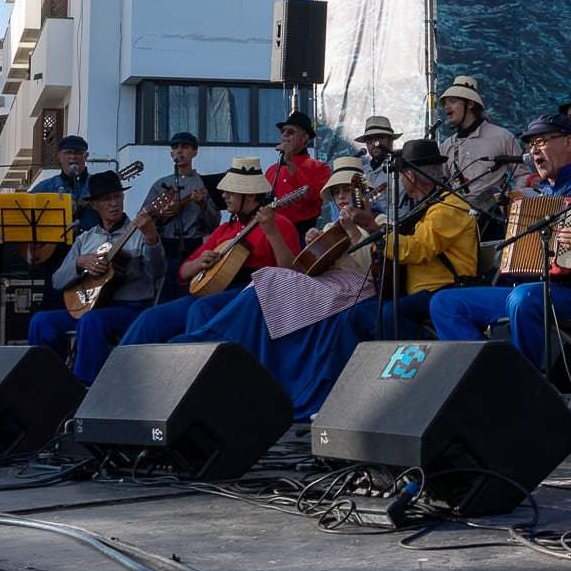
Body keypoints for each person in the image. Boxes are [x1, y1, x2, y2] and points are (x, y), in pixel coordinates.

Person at [167, 163, 384, 417]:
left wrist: (352, 231)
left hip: (355, 286)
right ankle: (205, 354)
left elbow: (376, 266)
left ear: (363, 193)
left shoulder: (378, 222)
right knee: (259, 283)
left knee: (271, 277)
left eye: (347, 190)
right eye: (336, 192)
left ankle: (208, 346)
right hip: (325, 282)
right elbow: (311, 266)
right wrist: (314, 243)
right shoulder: (329, 227)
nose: (341, 197)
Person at [430, 114, 571, 368]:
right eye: (530, 145)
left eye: (541, 141)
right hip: (530, 290)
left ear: (568, 142)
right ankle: (487, 373)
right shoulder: (538, 194)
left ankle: (526, 386)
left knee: (524, 298)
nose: (533, 151)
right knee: (445, 303)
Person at [119, 158, 304, 344]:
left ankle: (190, 368)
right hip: (214, 293)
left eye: (230, 191)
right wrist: (198, 264)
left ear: (249, 195)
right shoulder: (225, 229)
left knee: (201, 309)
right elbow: (183, 272)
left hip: (252, 297)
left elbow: (292, 273)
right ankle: (118, 369)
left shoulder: (279, 224)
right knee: (150, 318)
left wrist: (271, 232)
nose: (223, 195)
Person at [26, 171, 165, 383]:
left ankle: (84, 388)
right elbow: (57, 281)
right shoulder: (85, 239)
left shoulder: (139, 234)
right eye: (106, 199)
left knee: (91, 321)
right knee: (41, 321)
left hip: (130, 308)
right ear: (94, 205)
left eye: (117, 197)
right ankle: (45, 381)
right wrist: (79, 262)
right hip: (89, 306)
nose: (114, 204)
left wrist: (152, 238)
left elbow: (158, 271)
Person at [360, 138, 480, 335]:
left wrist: (373, 228)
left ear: (410, 176)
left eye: (401, 176)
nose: (400, 181)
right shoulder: (426, 205)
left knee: (390, 313)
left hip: (447, 290)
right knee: (365, 313)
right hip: (425, 293)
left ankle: (428, 354)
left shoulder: (449, 206)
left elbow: (418, 249)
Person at [437, 75, 520, 214]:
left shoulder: (502, 137)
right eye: (445, 103)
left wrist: (512, 206)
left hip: (492, 218)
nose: (446, 107)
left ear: (470, 104)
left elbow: (522, 175)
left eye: (452, 101)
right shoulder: (447, 145)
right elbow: (441, 183)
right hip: (458, 218)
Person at [139, 131, 218, 261]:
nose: (180, 151)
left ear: (195, 152)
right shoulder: (160, 184)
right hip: (165, 246)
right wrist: (160, 215)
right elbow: (144, 218)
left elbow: (213, 224)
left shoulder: (204, 183)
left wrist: (203, 205)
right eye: (176, 147)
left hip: (196, 245)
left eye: (185, 147)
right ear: (171, 154)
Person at [268, 111, 330, 233]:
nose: (285, 135)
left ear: (305, 138)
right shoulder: (271, 170)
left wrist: (290, 164)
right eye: (283, 132)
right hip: (273, 230)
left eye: (290, 132)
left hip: (304, 231)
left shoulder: (320, 168)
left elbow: (314, 195)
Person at [30, 134, 94, 216]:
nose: (73, 156)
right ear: (59, 156)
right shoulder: (45, 187)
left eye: (78, 153)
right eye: (68, 152)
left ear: (86, 156)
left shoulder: (97, 185)